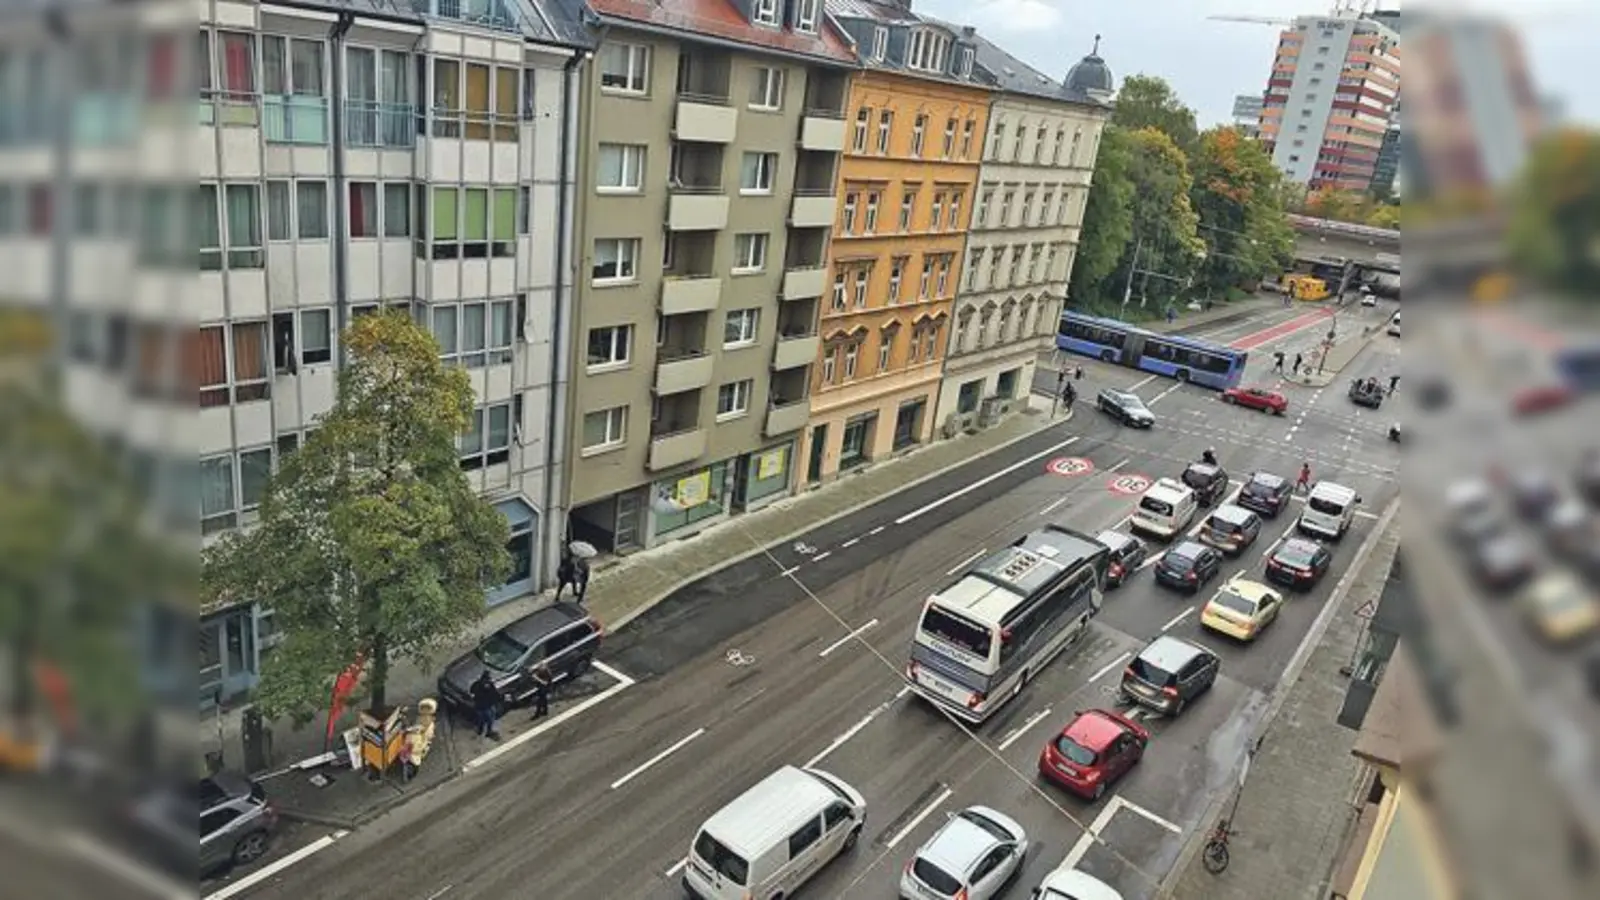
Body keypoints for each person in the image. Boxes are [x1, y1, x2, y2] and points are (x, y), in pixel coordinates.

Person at [470, 671, 500, 739]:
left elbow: (495, 693)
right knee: (485, 719)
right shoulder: (477, 685)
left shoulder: (489, 685)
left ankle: (486, 731)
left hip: (489, 705)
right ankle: (483, 730)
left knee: (490, 717)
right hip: (482, 706)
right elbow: (474, 692)